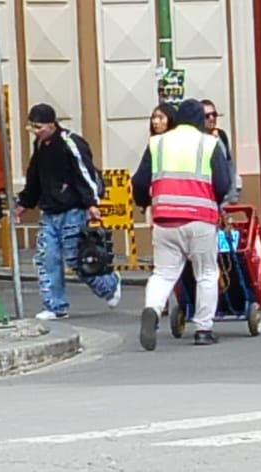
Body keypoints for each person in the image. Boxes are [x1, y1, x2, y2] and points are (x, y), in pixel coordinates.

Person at [131, 98, 234, 349]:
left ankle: (153, 310)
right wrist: (216, 203)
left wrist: (144, 201)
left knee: (164, 273)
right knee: (207, 273)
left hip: (165, 218)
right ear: (200, 119)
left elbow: (140, 181)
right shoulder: (209, 143)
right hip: (200, 218)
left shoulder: (158, 143)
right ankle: (203, 329)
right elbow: (222, 184)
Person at [13, 102, 123, 321]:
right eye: (32, 128)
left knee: (77, 260)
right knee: (47, 258)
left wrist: (92, 203)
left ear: (51, 124)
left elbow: (85, 173)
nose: (35, 132)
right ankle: (54, 305)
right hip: (49, 212)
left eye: (38, 127)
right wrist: (24, 203)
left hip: (72, 210)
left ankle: (109, 284)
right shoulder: (40, 146)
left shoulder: (70, 144)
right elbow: (34, 177)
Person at [200, 98, 241, 203]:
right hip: (207, 195)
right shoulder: (198, 140)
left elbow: (229, 164)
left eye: (214, 114)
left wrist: (233, 194)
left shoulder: (221, 135)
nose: (211, 118)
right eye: (207, 116)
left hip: (224, 197)